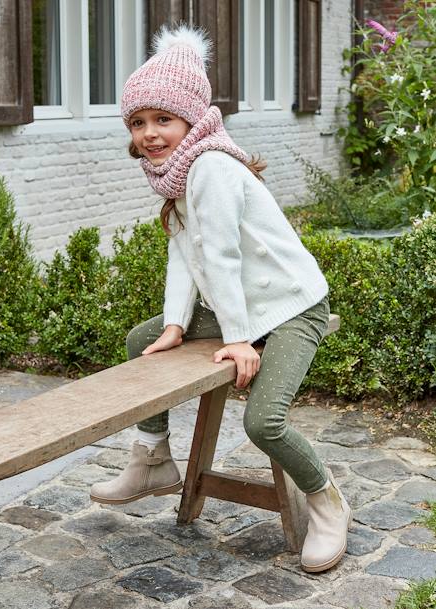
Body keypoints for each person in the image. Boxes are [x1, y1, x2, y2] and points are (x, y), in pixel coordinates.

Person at [90, 23, 352, 573]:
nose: (149, 134)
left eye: (163, 119)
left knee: (265, 423)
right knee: (143, 339)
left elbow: (224, 257)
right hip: (246, 307)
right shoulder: (177, 176)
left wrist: (236, 338)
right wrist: (175, 325)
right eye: (138, 122)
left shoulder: (209, 166)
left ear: (192, 118)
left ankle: (327, 502)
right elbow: (186, 255)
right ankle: (154, 459)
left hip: (291, 306)